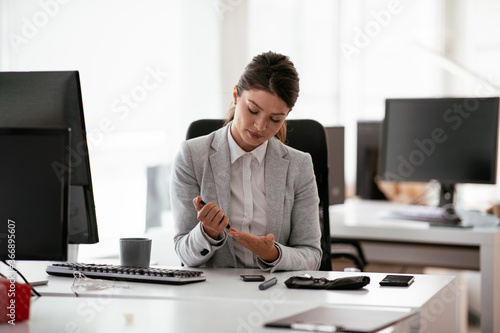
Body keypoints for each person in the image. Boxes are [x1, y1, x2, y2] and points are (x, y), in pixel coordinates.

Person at [170, 51, 322, 272]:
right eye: (253, 110)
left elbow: (312, 255)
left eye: (275, 119)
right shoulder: (192, 156)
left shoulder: (299, 166)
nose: (260, 126)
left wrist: (272, 253)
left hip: (276, 295)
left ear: (286, 115)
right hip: (213, 297)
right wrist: (208, 233)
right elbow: (184, 253)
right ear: (235, 96)